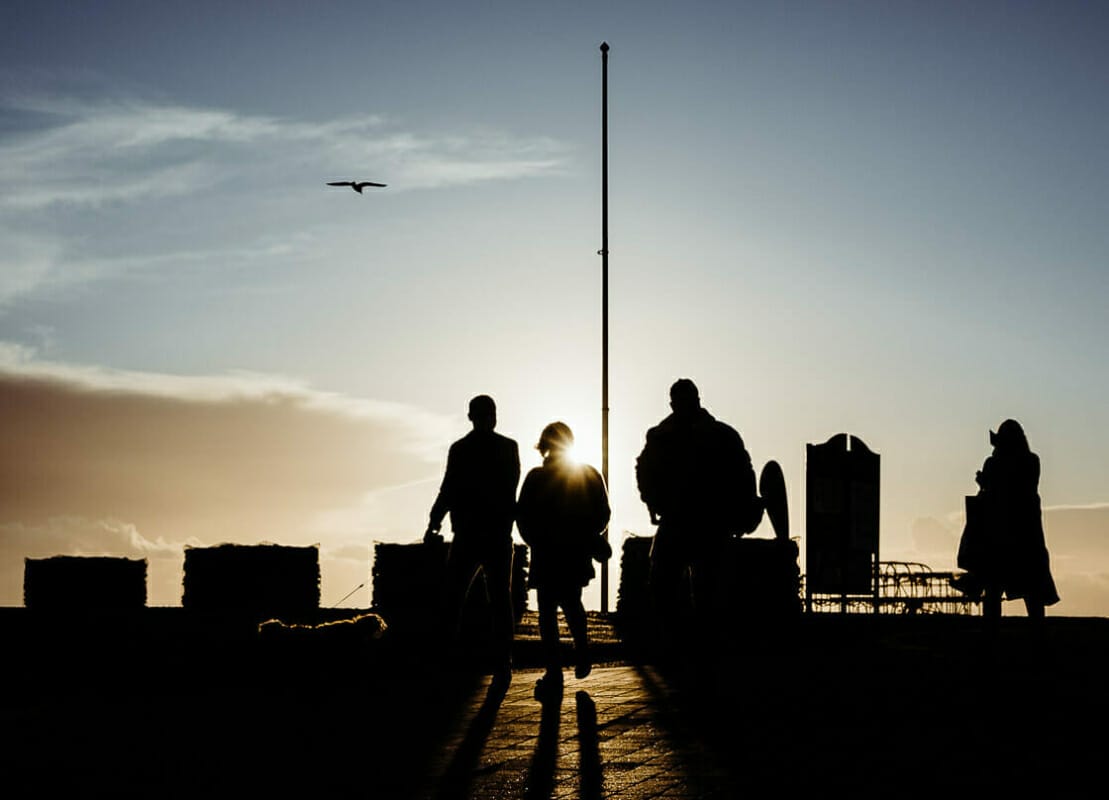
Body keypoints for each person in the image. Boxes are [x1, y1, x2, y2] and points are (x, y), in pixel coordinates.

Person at [636, 379, 762, 641]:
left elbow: (743, 476)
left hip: (711, 522)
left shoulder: (720, 436)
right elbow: (644, 470)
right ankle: (682, 643)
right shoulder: (661, 436)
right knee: (664, 584)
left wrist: (743, 515)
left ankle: (702, 645)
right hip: (681, 520)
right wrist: (651, 502)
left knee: (708, 590)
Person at [425, 394, 520, 679]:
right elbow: (510, 489)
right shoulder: (508, 448)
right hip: (497, 534)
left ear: (470, 416)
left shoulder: (460, 449)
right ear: (494, 416)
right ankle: (503, 660)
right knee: (500, 600)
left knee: (453, 598)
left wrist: (434, 522)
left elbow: (448, 488)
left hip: (467, 533)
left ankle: (446, 656)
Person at [515, 422, 611, 700]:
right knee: (572, 603)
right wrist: (588, 534)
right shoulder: (588, 474)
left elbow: (523, 518)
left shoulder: (535, 478)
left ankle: (555, 671)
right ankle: (581, 652)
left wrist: (537, 539)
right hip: (574, 552)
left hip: (547, 553)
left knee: (548, 612)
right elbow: (603, 512)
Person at [956, 419, 1059, 622]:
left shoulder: (994, 463)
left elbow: (994, 493)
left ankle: (991, 634)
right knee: (1033, 589)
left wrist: (984, 483)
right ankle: (1039, 638)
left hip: (998, 536)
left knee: (993, 588)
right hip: (1027, 535)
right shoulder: (1032, 461)